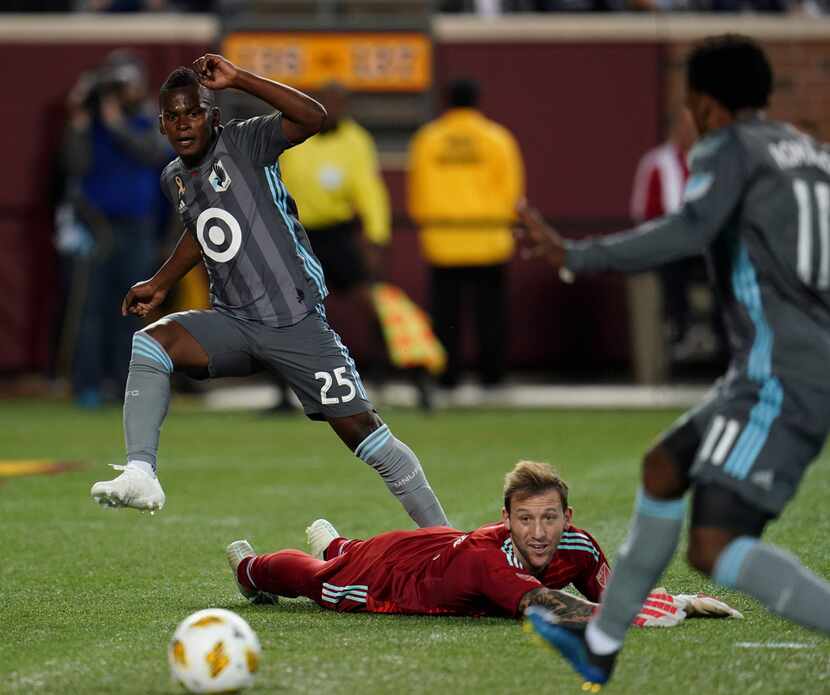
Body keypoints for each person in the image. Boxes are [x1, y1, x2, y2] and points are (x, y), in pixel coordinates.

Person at [517, 35, 830, 687]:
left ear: (706, 104)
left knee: (715, 546)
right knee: (664, 467)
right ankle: (600, 644)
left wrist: (578, 255)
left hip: (781, 371)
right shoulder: (809, 153)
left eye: (690, 103)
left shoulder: (729, 146)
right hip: (775, 364)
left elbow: (687, 230)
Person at [88, 54, 448, 531]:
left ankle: (446, 539)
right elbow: (205, 230)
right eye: (172, 116)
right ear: (161, 124)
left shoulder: (244, 141)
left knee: (365, 433)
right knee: (152, 342)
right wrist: (159, 283)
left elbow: (313, 117)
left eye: (193, 112)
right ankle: (141, 472)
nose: (183, 124)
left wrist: (240, 79)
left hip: (297, 323)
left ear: (213, 116)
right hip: (235, 323)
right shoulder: (172, 176)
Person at [225, 460, 740, 626]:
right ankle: (252, 568)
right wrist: (659, 613)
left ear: (568, 518)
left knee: (349, 554)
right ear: (507, 520)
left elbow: (608, 595)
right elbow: (551, 607)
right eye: (525, 519)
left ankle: (337, 543)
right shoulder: (487, 561)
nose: (539, 533)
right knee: (324, 587)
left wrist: (683, 602)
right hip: (399, 580)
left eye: (550, 518)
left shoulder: (579, 548)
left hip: (436, 547)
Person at [61, 50, 171, 407]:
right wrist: (78, 120)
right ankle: (88, 386)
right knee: (90, 310)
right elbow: (74, 165)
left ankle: (126, 386)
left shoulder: (147, 118)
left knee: (133, 311)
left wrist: (116, 125)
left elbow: (152, 153)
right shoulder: (89, 123)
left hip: (137, 227)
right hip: (96, 227)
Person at [407, 79, 525, 391]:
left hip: (443, 240)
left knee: (446, 314)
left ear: (446, 100)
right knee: (491, 314)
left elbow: (417, 192)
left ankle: (447, 377)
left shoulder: (428, 139)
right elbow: (512, 191)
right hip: (489, 239)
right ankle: (493, 376)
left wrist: (427, 225)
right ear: (477, 100)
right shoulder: (498, 139)